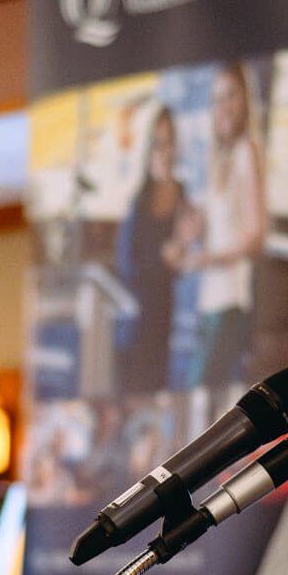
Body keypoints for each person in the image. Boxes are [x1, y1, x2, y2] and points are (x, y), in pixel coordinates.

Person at [179, 61, 267, 388]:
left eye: (231, 95)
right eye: (218, 98)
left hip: (231, 298)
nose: (224, 106)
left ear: (244, 99)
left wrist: (209, 258)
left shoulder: (247, 152)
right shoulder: (221, 158)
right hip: (210, 299)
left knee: (202, 384)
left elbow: (255, 236)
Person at [114, 106, 195, 394]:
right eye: (157, 142)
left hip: (167, 308)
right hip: (138, 311)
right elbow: (127, 262)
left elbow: (188, 255)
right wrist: (164, 256)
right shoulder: (139, 201)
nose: (164, 150)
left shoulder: (184, 194)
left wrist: (181, 251)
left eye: (169, 141)